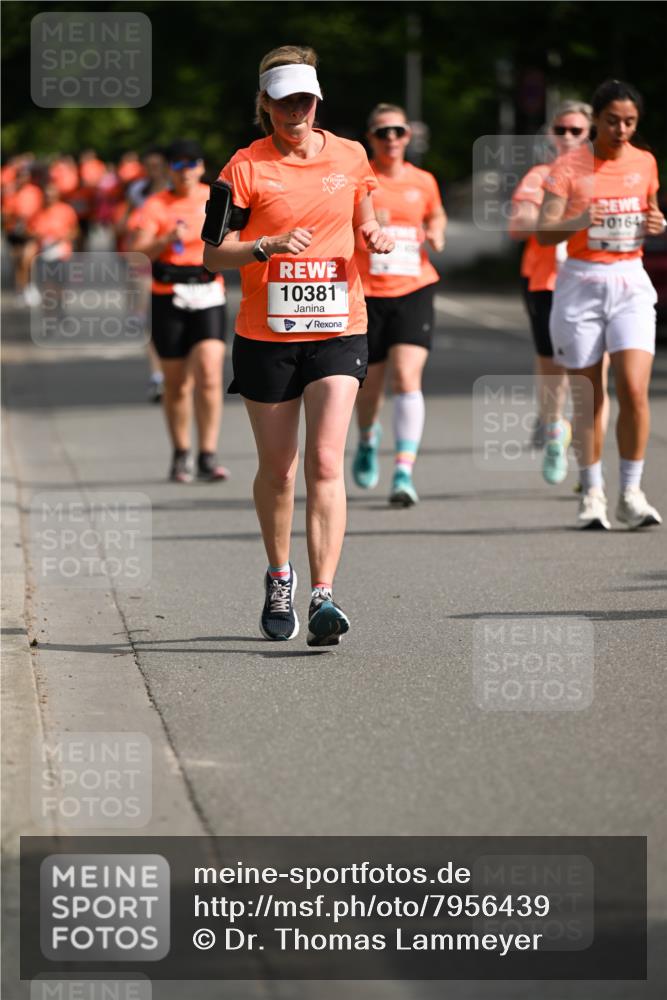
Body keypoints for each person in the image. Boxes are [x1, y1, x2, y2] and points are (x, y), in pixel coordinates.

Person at [203, 45, 393, 646]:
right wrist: (266, 246)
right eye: (283, 103)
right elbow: (212, 252)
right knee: (280, 472)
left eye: (304, 101)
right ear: (265, 104)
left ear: (318, 101)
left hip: (340, 326)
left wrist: (374, 231)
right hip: (267, 334)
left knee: (326, 462)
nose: (295, 113)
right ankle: (280, 573)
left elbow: (365, 213)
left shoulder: (352, 155)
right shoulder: (244, 167)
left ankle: (322, 595)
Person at [538, 79, 665, 530]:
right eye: (613, 120)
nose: (622, 129)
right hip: (581, 283)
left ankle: (631, 492)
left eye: (630, 121)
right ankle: (592, 491)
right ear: (597, 120)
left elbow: (650, 213)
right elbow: (543, 230)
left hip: (629, 280)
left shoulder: (645, 162)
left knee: (633, 389)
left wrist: (657, 220)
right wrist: (576, 219)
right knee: (588, 394)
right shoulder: (570, 166)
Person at [510, 100, 610, 486]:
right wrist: (569, 220)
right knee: (553, 366)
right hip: (547, 281)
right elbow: (519, 225)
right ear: (550, 135)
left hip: (598, 279)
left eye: (576, 131)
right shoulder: (540, 174)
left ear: (590, 133)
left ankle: (591, 465)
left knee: (595, 374)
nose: (567, 137)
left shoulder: (605, 174)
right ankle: (554, 429)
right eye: (561, 130)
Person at [350, 104, 446, 507]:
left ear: (408, 136)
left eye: (398, 131)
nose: (391, 139)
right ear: (371, 138)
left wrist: (437, 232)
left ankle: (404, 471)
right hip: (368, 292)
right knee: (370, 388)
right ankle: (369, 439)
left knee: (408, 378)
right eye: (382, 132)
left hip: (414, 287)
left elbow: (436, 215)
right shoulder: (359, 181)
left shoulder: (423, 180)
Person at [132, 138, 229, 483]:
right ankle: (181, 453)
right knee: (177, 384)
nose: (185, 171)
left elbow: (234, 238)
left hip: (207, 292)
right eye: (178, 164)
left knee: (209, 373)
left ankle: (208, 454)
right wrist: (165, 237)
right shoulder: (155, 205)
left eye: (192, 164)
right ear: (168, 169)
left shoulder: (214, 198)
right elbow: (138, 251)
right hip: (168, 295)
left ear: (202, 167)